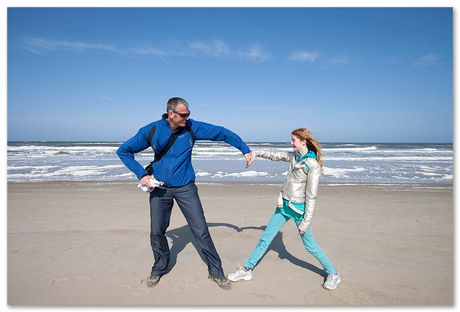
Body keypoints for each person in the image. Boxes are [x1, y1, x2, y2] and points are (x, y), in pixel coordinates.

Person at [117, 97, 254, 290]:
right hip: (160, 189)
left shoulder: (191, 127)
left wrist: (244, 149)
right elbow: (124, 151)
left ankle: (216, 272)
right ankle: (159, 268)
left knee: (201, 230)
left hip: (186, 188)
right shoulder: (152, 130)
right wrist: (141, 175)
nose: (188, 117)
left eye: (188, 114)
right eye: (184, 114)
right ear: (171, 114)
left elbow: (221, 132)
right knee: (157, 231)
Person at [227, 128, 340, 290]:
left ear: (303, 141)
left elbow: (312, 196)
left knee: (310, 245)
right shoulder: (294, 157)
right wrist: (255, 152)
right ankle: (247, 269)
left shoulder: (312, 165)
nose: (291, 143)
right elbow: (275, 155)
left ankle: (333, 273)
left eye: (293, 140)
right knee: (265, 239)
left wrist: (306, 222)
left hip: (299, 210)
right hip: (283, 206)